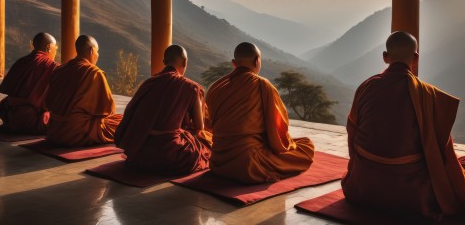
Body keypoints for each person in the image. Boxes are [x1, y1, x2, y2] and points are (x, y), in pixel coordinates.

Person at [341, 31, 465, 221]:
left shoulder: (365, 87)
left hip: (361, 188)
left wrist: (360, 171)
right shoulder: (428, 95)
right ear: (415, 58)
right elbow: (444, 155)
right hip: (413, 195)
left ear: (385, 57)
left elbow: (352, 134)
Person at [206, 42, 314, 184]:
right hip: (248, 165)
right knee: (306, 146)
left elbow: (208, 126)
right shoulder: (262, 85)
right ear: (257, 60)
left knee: (300, 143)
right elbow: (276, 140)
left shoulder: (216, 86)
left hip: (218, 161)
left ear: (234, 63)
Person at [115, 45, 212, 175]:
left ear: (164, 62)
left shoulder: (148, 83)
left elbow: (129, 115)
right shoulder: (192, 87)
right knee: (207, 144)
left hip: (140, 153)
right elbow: (199, 127)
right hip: (169, 155)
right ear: (185, 61)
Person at [45, 35, 122, 147]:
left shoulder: (60, 70)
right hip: (76, 132)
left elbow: (48, 102)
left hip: (54, 129)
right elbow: (107, 110)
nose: (98, 55)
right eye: (97, 51)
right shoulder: (94, 72)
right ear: (91, 50)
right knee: (125, 123)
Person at [0, 33, 59, 134]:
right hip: (33, 118)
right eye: (55, 47)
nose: (56, 51)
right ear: (48, 48)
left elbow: (9, 90)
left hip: (9, 114)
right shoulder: (52, 66)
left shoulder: (20, 62)